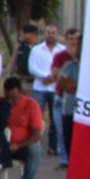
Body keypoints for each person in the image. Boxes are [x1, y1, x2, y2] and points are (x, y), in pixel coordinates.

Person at [2, 76, 44, 179]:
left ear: (20, 92)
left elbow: (37, 134)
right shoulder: (2, 104)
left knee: (35, 151)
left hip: (22, 146)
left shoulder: (31, 105)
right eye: (8, 98)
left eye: (13, 98)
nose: (11, 101)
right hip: (3, 145)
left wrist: (19, 145)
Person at [28, 23, 63, 157]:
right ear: (44, 34)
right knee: (37, 117)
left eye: (53, 32)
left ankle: (53, 146)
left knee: (55, 119)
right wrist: (46, 76)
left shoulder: (62, 50)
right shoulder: (36, 50)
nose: (51, 35)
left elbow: (63, 67)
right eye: (48, 32)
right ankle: (34, 144)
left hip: (56, 87)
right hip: (40, 88)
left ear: (58, 34)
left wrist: (52, 78)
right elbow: (32, 68)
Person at [55, 28, 82, 164]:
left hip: (85, 115)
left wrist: (75, 85)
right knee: (69, 146)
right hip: (69, 111)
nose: (77, 48)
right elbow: (63, 83)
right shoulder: (69, 66)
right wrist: (82, 85)